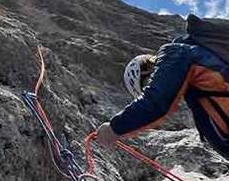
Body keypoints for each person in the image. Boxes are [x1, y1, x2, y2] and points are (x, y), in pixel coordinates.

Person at [96, 15, 229, 159]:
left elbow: (156, 101)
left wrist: (114, 129)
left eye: (149, 83)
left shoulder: (175, 52)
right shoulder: (201, 80)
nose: (153, 85)